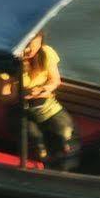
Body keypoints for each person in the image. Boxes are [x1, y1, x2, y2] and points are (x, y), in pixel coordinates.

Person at [14, 32, 79, 170]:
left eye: (32, 43)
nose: (28, 48)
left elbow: (55, 80)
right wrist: (22, 94)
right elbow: (4, 97)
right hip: (20, 107)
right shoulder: (10, 60)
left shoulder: (46, 53)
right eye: (25, 43)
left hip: (45, 104)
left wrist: (44, 89)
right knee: (34, 138)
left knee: (66, 131)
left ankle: (67, 166)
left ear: (40, 40)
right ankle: (41, 166)